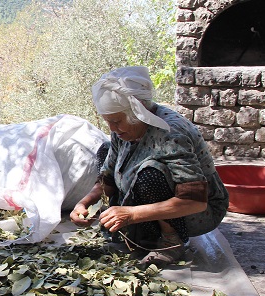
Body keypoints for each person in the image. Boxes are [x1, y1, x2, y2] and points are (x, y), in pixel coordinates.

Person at [70, 66, 229, 267]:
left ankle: (171, 241)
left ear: (140, 113)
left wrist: (132, 214)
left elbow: (195, 201)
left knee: (150, 174)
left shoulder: (171, 135)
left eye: (117, 121)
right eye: (108, 121)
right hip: (150, 197)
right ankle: (135, 231)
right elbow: (108, 176)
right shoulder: (123, 130)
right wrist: (85, 202)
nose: (112, 128)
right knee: (106, 149)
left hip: (198, 211)